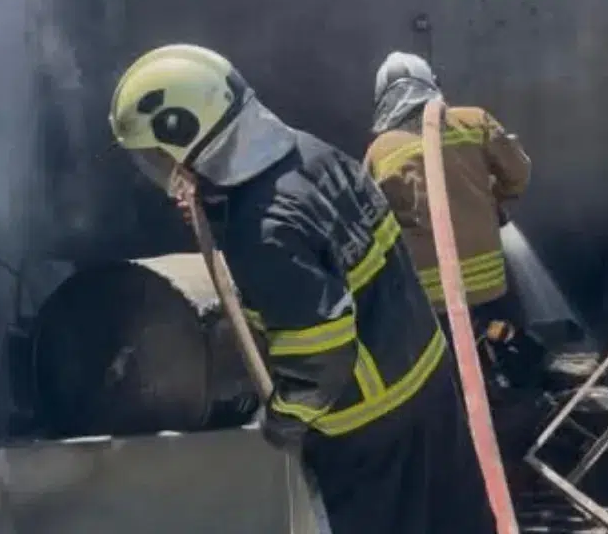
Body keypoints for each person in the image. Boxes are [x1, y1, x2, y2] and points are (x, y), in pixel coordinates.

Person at [108, 43, 496, 534]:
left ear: (185, 132)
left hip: (369, 427)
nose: (159, 168)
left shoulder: (262, 229)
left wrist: (282, 419)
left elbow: (320, 357)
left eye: (155, 154)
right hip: (428, 385)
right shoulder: (308, 154)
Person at [362, 51, 538, 385]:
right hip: (491, 288)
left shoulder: (379, 151)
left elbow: (369, 222)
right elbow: (518, 174)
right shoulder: (473, 121)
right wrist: (490, 202)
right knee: (509, 354)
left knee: (447, 379)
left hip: (429, 300)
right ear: (432, 84)